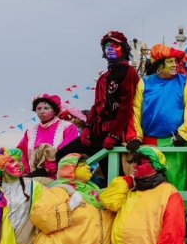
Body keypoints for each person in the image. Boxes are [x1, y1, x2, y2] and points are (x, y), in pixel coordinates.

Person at [55, 31, 141, 160]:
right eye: (107, 46)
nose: (110, 49)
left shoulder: (128, 71)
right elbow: (96, 106)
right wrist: (87, 128)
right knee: (62, 154)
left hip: (116, 131)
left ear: (123, 48)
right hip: (97, 131)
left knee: (110, 171)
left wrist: (114, 135)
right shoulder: (103, 77)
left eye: (115, 45)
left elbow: (126, 107)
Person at [133, 44, 187, 191]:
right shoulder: (144, 83)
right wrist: (135, 137)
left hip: (175, 143)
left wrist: (184, 134)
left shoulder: (185, 81)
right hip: (150, 143)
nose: (175, 65)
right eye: (171, 62)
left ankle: (182, 214)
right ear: (160, 64)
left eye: (176, 61)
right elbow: (136, 112)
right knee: (149, 187)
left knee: (178, 185)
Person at [14, 94, 79, 177]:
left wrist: (50, 167)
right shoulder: (30, 132)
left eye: (46, 108)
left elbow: (68, 151)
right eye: (38, 108)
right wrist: (28, 173)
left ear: (54, 111)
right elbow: (22, 155)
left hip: (61, 176)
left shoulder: (67, 127)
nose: (42, 111)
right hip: (35, 178)